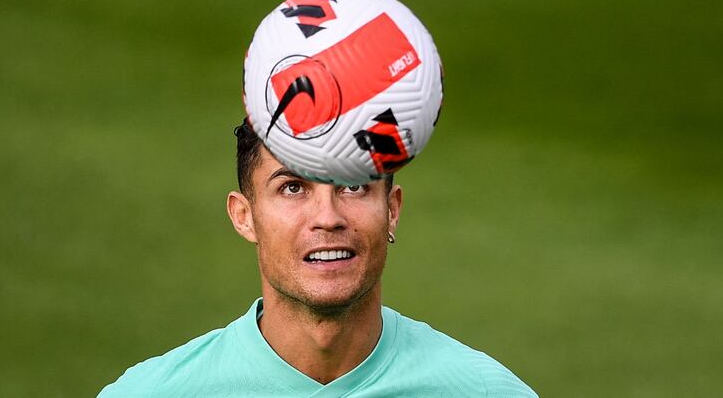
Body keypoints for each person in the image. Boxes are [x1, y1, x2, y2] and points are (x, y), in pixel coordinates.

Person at [97, 121, 538, 397]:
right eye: (292, 187)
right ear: (244, 216)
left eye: (353, 185)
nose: (328, 217)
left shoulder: (484, 391)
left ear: (392, 210)